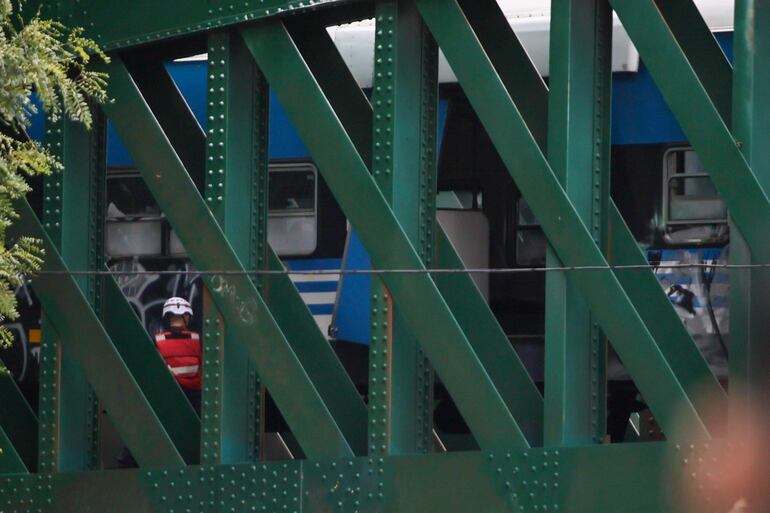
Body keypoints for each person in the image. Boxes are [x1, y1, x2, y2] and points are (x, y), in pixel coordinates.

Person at [117, 297, 201, 468]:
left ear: (168, 317)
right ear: (188, 317)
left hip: (167, 396)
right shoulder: (198, 340)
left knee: (147, 426)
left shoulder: (158, 340)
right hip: (194, 398)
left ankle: (128, 460)